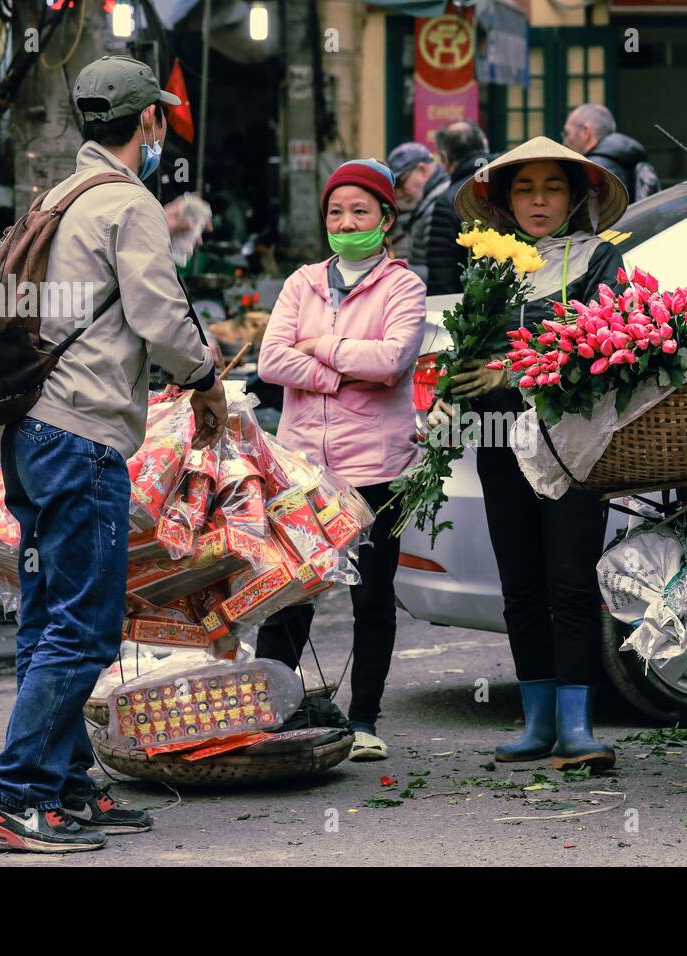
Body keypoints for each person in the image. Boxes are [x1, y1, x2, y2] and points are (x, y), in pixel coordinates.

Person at [0, 54, 228, 853]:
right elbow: (158, 313)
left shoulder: (59, 194)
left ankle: (66, 786)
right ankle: (14, 796)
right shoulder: (126, 201)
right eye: (159, 119)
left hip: (33, 432)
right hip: (80, 438)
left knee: (48, 618)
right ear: (148, 121)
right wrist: (207, 375)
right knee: (83, 627)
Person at [431, 136, 628, 771]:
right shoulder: (491, 266)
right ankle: (537, 723)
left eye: (552, 187)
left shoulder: (599, 261)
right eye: (524, 187)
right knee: (520, 583)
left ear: (576, 197)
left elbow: (609, 347)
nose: (538, 200)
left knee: (570, 582)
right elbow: (469, 352)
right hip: (500, 445)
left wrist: (512, 372)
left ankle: (578, 726)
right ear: (503, 200)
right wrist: (448, 397)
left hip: (571, 446)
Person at [255, 158, 426, 763]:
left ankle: (363, 720)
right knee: (289, 594)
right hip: (303, 468)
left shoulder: (404, 286)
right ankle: (265, 714)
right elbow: (271, 361)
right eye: (336, 211)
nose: (347, 221)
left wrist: (318, 348)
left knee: (371, 598)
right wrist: (339, 373)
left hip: (377, 469)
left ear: (386, 218)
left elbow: (390, 362)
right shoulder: (301, 282)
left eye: (360, 211)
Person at [424, 120, 490, 295]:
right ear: (484, 145)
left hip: (472, 306)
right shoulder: (509, 185)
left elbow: (442, 278)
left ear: (445, 159)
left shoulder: (448, 201)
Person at [561, 103, 659, 204]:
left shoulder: (592, 167)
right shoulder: (632, 159)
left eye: (567, 133)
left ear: (585, 132)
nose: (564, 142)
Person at [387, 141, 450, 285]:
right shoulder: (428, 203)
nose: (398, 193)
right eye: (394, 187)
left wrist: (398, 269)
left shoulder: (438, 207)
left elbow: (441, 273)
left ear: (423, 171)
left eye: (401, 183)